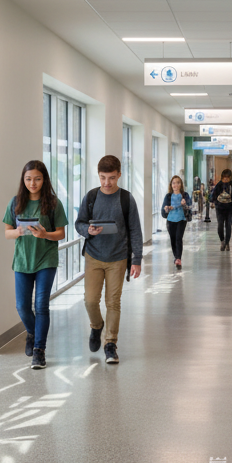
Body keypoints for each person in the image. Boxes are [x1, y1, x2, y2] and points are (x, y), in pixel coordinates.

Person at [74, 155, 144, 364]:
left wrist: (137, 259)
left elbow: (135, 231)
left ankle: (110, 344)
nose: (107, 183)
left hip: (118, 257)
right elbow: (79, 224)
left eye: (112, 178)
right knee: (90, 300)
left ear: (119, 175)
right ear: (99, 175)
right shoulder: (91, 197)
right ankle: (96, 326)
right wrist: (89, 230)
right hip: (94, 256)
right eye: (103, 177)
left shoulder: (126, 199)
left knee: (113, 302)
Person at [1, 160, 67, 370]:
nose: (33, 183)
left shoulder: (53, 203)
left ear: (44, 179)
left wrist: (45, 234)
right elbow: (6, 232)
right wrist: (18, 232)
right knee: (22, 306)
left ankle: (39, 350)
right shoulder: (15, 202)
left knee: (41, 306)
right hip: (22, 260)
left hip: (45, 259)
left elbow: (61, 234)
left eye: (37, 179)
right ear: (23, 180)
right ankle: (32, 332)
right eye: (28, 179)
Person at [162, 175, 192, 268]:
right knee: (173, 239)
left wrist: (185, 204)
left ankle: (178, 258)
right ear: (171, 185)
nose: (176, 185)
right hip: (171, 220)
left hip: (181, 219)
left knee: (178, 238)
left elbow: (190, 206)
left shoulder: (185, 195)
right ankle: (176, 257)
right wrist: (166, 208)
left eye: (178, 182)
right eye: (174, 183)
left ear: (181, 184)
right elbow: (164, 210)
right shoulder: (168, 196)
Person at [209, 169, 232, 251]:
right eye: (224, 177)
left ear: (230, 177)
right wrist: (214, 202)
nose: (225, 179)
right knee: (220, 225)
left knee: (228, 225)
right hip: (220, 208)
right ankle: (222, 241)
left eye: (227, 177)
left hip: (230, 208)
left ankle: (227, 242)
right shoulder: (219, 185)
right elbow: (213, 196)